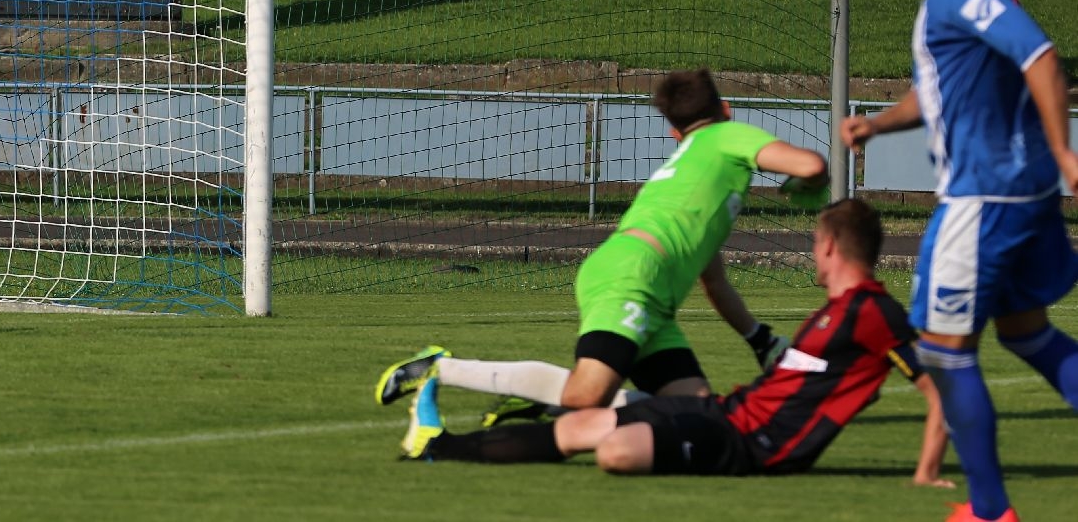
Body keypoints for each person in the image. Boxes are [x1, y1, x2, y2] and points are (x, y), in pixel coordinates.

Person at [397, 199, 952, 492]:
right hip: (728, 414)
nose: (812, 255)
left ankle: (496, 401)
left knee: (614, 452)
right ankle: (436, 446)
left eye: (814, 245)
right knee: (578, 426)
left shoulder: (876, 312)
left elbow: (940, 393)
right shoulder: (833, 313)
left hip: (751, 448)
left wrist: (927, 470)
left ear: (830, 246)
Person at [375, 66, 829, 418]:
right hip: (634, 275)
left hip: (644, 287)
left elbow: (713, 281)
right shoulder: (726, 136)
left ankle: (545, 402)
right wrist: (806, 184)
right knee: (587, 393)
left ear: (673, 131)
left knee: (695, 412)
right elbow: (810, 164)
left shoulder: (696, 175)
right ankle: (440, 367)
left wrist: (759, 340)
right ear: (726, 109)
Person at [840, 0, 1078, 522]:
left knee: (943, 352)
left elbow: (1039, 56)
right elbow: (944, 86)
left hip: (984, 198)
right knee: (1027, 333)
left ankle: (987, 511)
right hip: (1026, 196)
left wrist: (1064, 150)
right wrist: (879, 122)